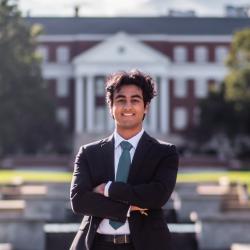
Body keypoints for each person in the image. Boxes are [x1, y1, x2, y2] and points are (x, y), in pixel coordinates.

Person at [70, 70, 179, 250]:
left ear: (146, 107)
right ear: (111, 107)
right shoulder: (88, 153)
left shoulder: (164, 153)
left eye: (135, 100)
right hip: (96, 245)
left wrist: (108, 189)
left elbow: (157, 196)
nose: (127, 107)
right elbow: (79, 201)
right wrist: (128, 208)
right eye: (121, 100)